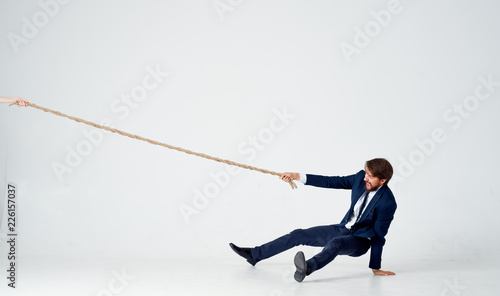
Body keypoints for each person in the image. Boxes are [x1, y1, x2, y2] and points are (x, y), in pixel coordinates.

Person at [229, 158, 397, 282]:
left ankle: (307, 267)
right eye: (366, 174)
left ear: (382, 181)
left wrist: (375, 267)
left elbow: (379, 236)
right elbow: (330, 181)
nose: (365, 178)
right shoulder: (360, 178)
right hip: (342, 228)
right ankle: (255, 254)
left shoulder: (387, 202)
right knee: (298, 234)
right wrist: (297, 176)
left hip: (361, 240)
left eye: (370, 177)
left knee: (337, 243)